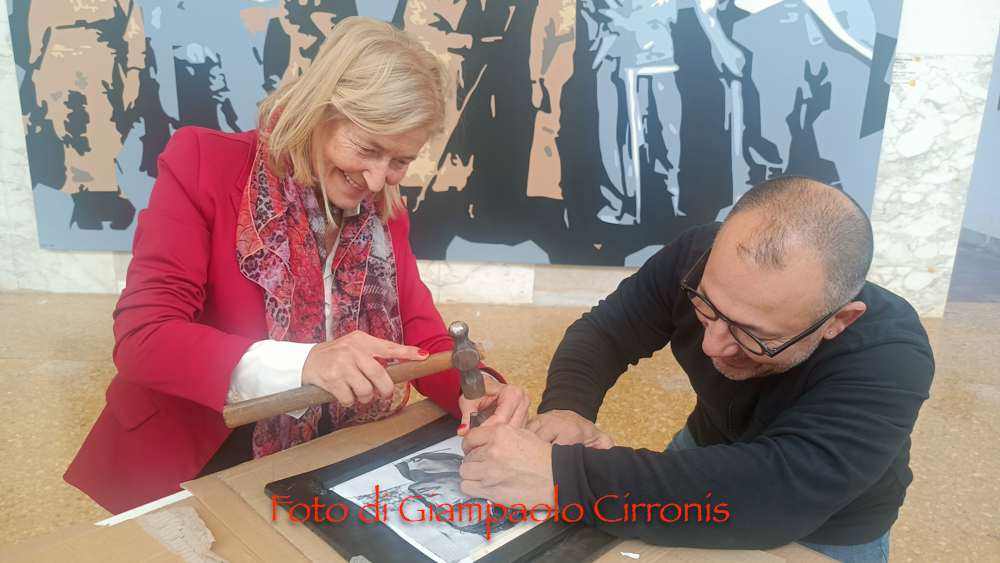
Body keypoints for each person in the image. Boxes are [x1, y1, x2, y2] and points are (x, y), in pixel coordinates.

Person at [64, 17, 529, 515]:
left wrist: (478, 387)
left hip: (322, 454)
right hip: (197, 454)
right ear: (319, 110)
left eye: (400, 161)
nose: (377, 181)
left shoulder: (384, 211)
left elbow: (422, 339)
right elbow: (144, 337)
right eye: (367, 148)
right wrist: (307, 363)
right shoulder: (204, 163)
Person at [460, 177, 933, 563]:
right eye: (706, 306)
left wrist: (566, 477)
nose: (712, 345)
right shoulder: (697, 257)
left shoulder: (891, 357)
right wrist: (569, 409)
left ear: (837, 322)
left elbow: (776, 495)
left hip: (828, 523)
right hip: (705, 448)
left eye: (753, 334)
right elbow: (604, 333)